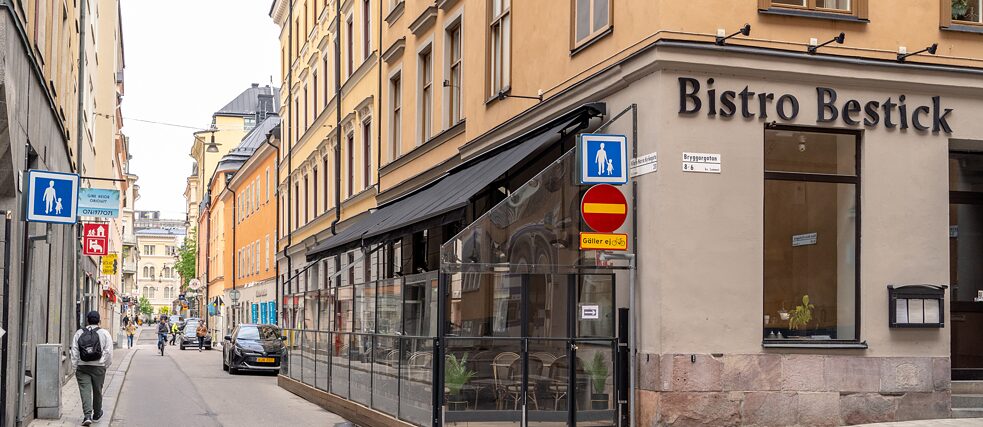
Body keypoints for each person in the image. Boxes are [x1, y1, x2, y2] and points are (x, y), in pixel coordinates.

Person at [71, 311, 113, 426]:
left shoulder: (79, 333)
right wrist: (104, 364)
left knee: (85, 391)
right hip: (99, 367)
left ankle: (87, 415)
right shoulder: (104, 333)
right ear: (99, 321)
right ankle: (97, 413)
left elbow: (74, 351)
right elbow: (109, 352)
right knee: (97, 391)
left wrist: (75, 366)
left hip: (82, 366)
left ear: (87, 320)